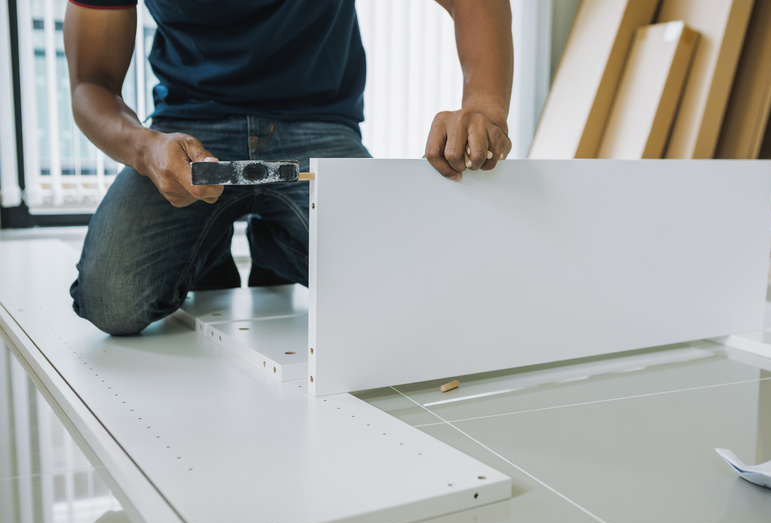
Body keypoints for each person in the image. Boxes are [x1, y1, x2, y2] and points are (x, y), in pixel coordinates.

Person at [64, 0, 513, 335]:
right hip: (190, 130)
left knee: (412, 293)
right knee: (111, 300)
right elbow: (90, 82)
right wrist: (146, 148)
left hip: (318, 124)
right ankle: (207, 250)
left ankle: (277, 242)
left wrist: (484, 106)